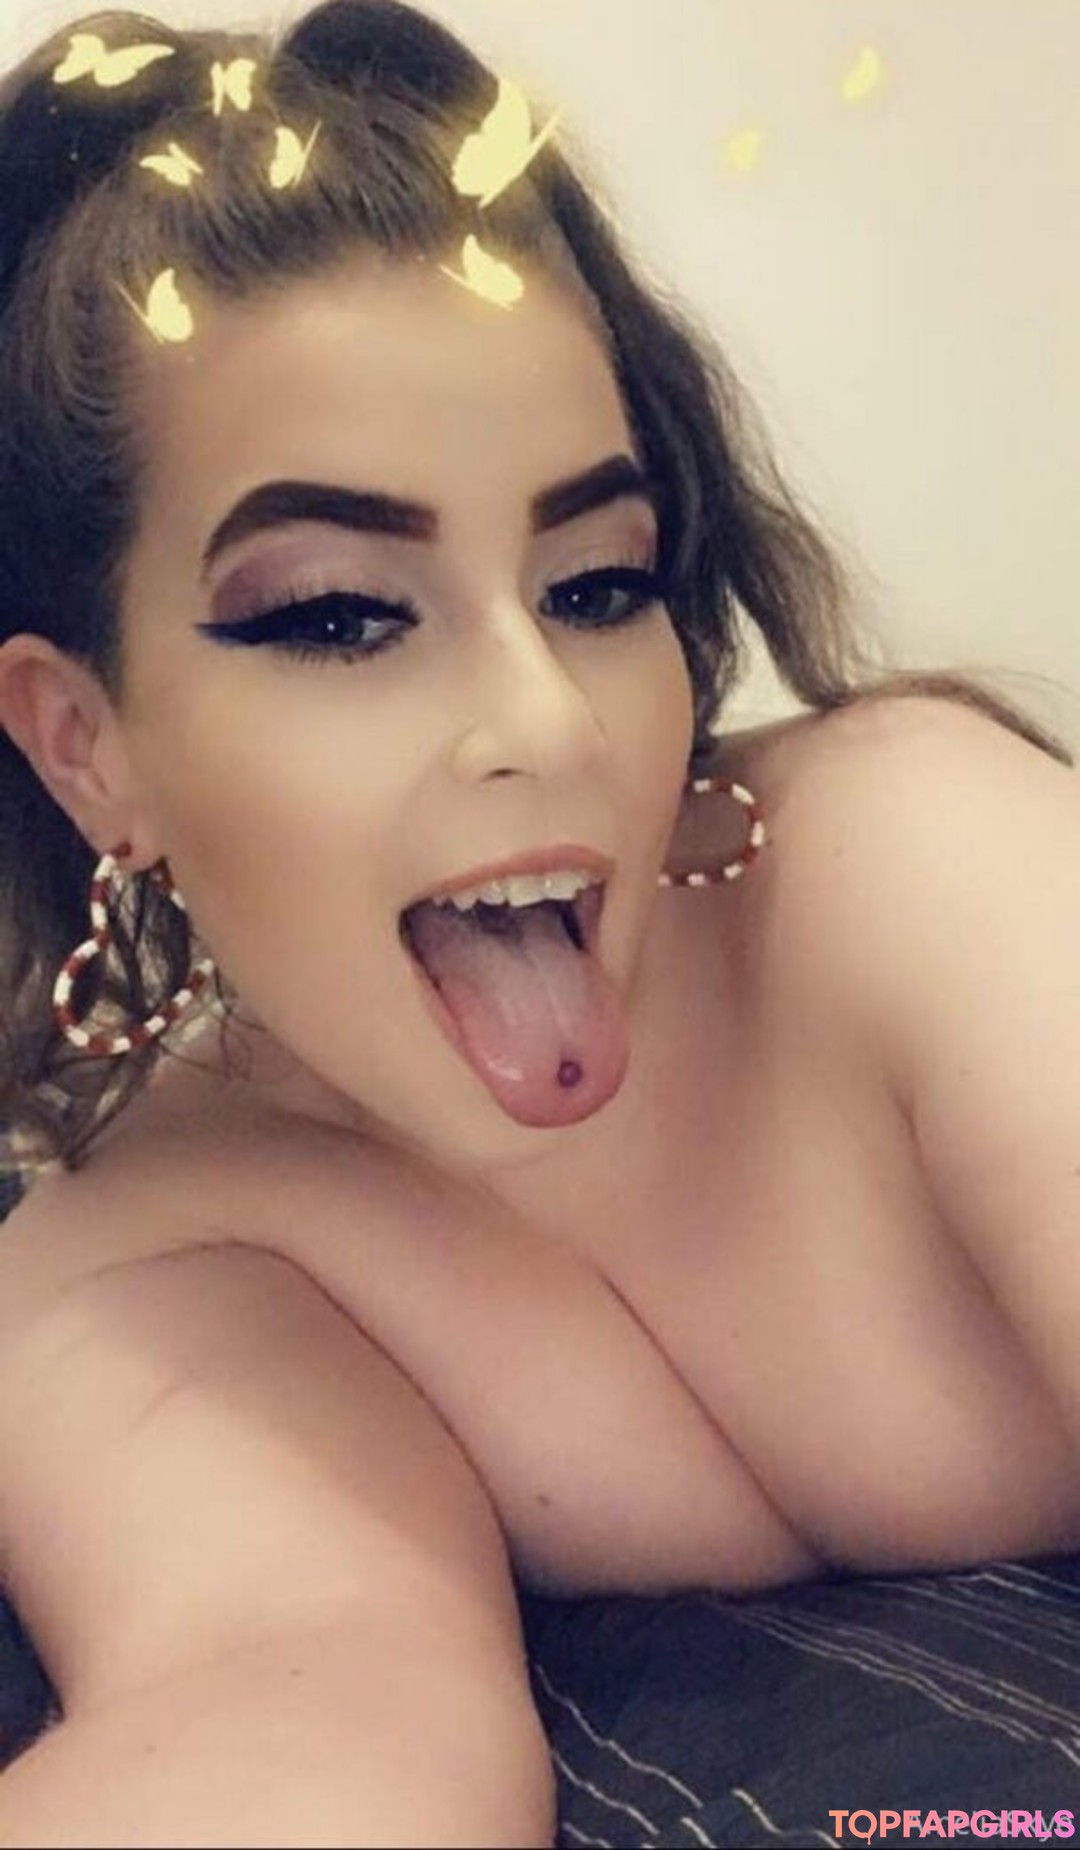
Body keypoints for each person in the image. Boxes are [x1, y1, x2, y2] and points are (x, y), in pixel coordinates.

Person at [0, 1, 1077, 1842]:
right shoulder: (136, 1249)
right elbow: (298, 1715)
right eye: (340, 612)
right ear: (87, 745)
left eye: (596, 584)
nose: (550, 720)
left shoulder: (907, 865)